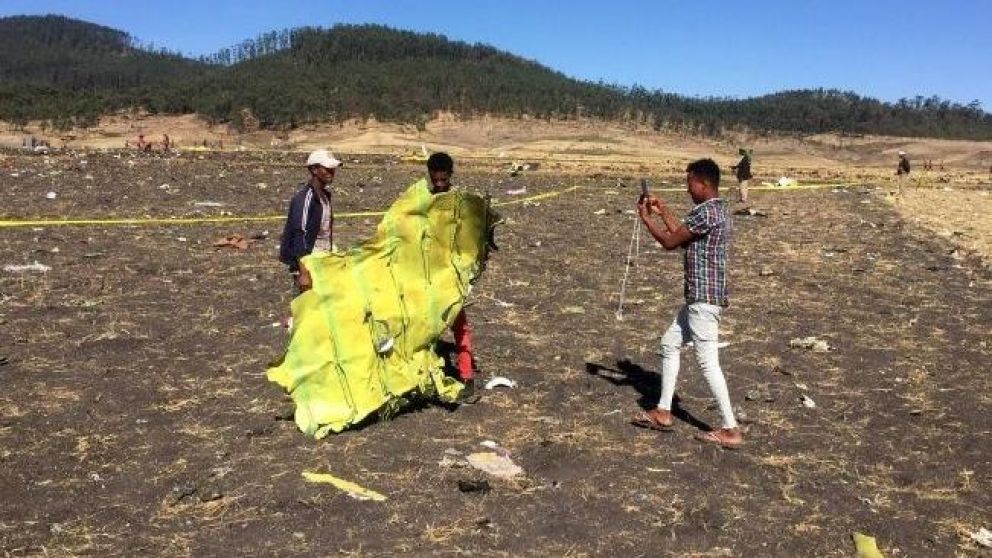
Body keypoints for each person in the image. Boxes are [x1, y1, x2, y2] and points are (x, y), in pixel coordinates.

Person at [630, 158, 743, 448]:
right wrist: (662, 209)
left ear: (704, 183)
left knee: (707, 363)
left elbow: (671, 242)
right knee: (669, 343)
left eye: (690, 182)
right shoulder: (716, 210)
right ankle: (663, 411)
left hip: (703, 300)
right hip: (700, 298)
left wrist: (646, 219)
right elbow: (683, 235)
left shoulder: (706, 213)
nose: (687, 188)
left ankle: (730, 428)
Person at [425, 152, 479, 403]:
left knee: (460, 325)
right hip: (426, 275)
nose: (439, 184)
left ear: (450, 176)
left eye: (443, 180)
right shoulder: (421, 202)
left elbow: (468, 240)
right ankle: (428, 376)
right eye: (435, 180)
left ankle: (466, 375)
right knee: (426, 328)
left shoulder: (460, 203)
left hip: (452, 275)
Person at [279, 149, 341, 293]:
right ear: (314, 170)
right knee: (306, 309)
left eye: (333, 169)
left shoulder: (325, 196)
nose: (331, 172)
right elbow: (300, 234)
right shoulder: (305, 199)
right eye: (327, 168)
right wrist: (304, 273)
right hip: (309, 264)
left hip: (323, 260)